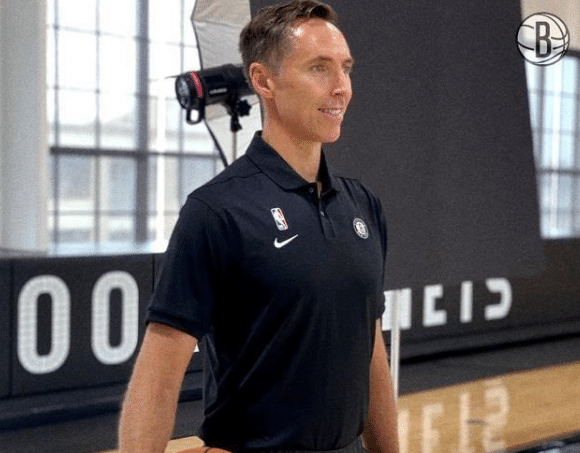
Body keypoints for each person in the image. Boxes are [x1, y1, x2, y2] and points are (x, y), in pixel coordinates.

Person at [118, 1, 399, 452]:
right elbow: (157, 380)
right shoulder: (216, 211)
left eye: (345, 68)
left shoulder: (363, 204)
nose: (341, 87)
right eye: (319, 68)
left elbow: (370, 352)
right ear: (263, 81)